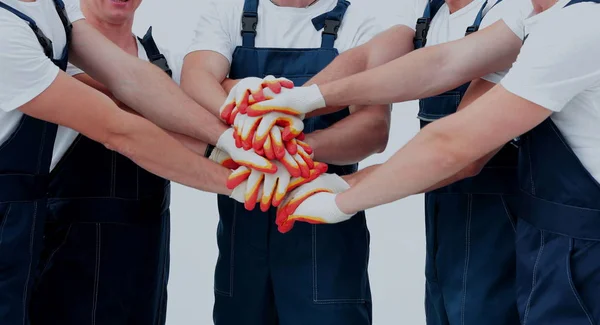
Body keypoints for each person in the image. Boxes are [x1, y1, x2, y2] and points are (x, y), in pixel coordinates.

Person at [275, 0, 600, 324]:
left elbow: (455, 145)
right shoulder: (533, 14)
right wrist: (308, 98)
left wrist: (343, 199)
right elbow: (442, 63)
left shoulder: (578, 25)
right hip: (544, 235)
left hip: (583, 245)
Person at [227, 0, 529, 323]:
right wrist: (297, 101)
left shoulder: (513, 13)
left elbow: (460, 151)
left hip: (502, 231)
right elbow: (369, 59)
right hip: (445, 232)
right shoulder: (426, 11)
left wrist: (348, 188)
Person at [0, 0, 280, 323]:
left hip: (135, 268)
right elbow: (119, 125)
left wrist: (237, 119)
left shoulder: (54, 10)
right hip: (53, 253)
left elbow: (130, 79)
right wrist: (238, 180)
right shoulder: (12, 36)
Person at [180, 0, 401, 323]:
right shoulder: (227, 14)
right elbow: (196, 80)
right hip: (243, 231)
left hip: (324, 229)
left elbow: (373, 129)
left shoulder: (361, 23)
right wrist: (243, 119)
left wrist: (292, 151)